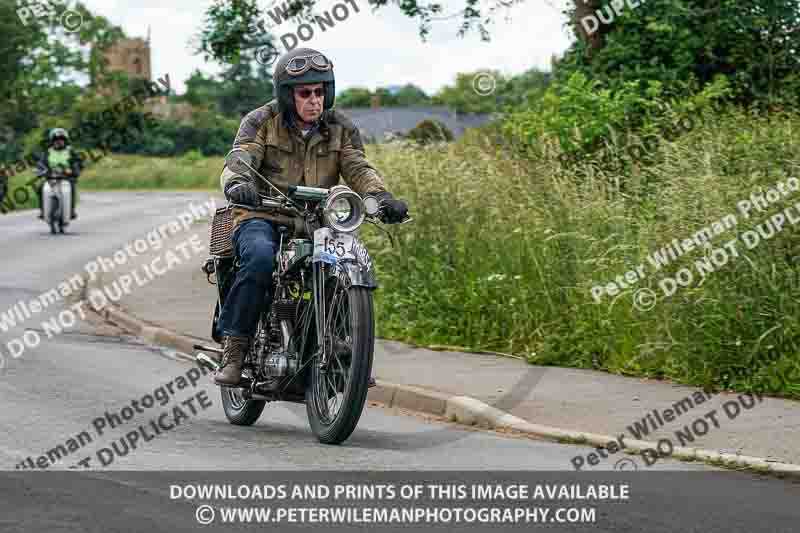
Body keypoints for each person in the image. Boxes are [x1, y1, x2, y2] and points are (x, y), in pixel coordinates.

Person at [214, 47, 409, 385]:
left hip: (318, 220)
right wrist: (238, 184)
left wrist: (380, 196)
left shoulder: (341, 128)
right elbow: (239, 160)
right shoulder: (261, 121)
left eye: (319, 92)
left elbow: (358, 167)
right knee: (260, 258)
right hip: (263, 214)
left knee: (345, 263)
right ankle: (237, 347)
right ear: (288, 95)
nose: (314, 100)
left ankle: (343, 345)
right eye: (305, 93)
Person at [37, 128, 82, 219]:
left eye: (61, 139)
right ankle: (43, 211)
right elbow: (41, 163)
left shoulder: (70, 151)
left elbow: (77, 162)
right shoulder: (47, 152)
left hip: (67, 177)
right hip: (51, 177)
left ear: (65, 141)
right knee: (40, 187)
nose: (59, 142)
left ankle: (71, 211)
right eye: (56, 140)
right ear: (52, 141)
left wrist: (73, 170)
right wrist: (41, 170)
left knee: (72, 188)